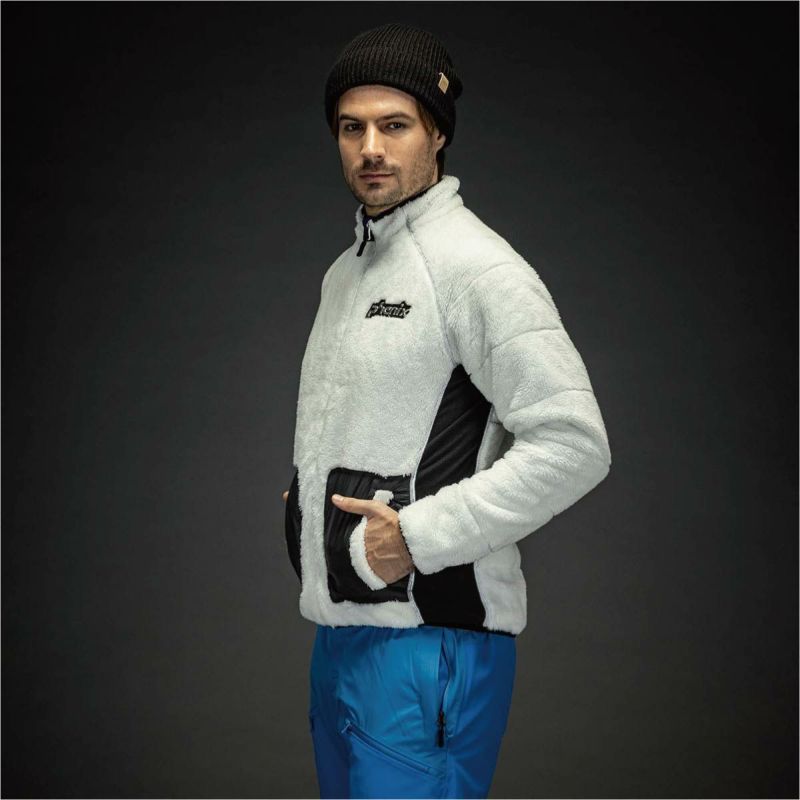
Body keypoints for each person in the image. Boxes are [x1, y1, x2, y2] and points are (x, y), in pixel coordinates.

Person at [282, 22, 612, 799]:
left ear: (436, 133)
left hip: (431, 651)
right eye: (351, 127)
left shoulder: (477, 269)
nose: (371, 148)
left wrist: (416, 537)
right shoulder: (344, 275)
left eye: (394, 125)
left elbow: (575, 443)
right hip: (341, 643)